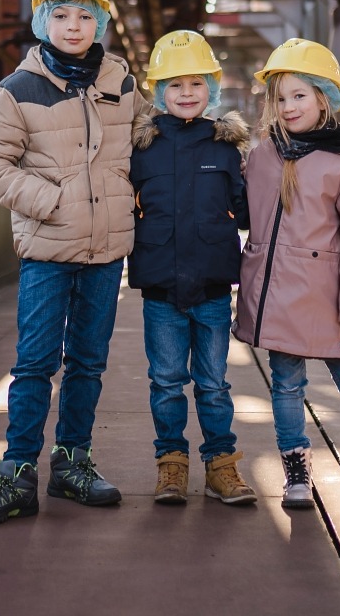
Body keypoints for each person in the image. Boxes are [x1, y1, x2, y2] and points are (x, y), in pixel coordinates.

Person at [0, 0, 138, 525]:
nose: (72, 26)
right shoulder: (17, 90)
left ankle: (72, 464)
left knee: (87, 363)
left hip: (107, 253)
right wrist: (54, 203)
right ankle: (16, 473)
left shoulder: (122, 80)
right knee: (35, 363)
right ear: (42, 21)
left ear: (99, 22)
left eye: (85, 15)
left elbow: (147, 143)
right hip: (47, 251)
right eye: (59, 14)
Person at [231, 38, 340, 511]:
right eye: (281, 97)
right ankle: (295, 470)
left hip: (328, 300)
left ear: (323, 98)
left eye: (300, 96)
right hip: (278, 298)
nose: (289, 107)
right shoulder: (265, 154)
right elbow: (248, 216)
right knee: (286, 386)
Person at [128, 30, 257, 506]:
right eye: (175, 84)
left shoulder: (226, 147)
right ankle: (171, 467)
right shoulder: (143, 148)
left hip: (211, 288)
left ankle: (222, 467)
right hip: (161, 289)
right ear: (158, 90)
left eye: (197, 84)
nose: (186, 93)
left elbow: (246, 211)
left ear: (212, 89)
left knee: (214, 384)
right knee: (165, 382)